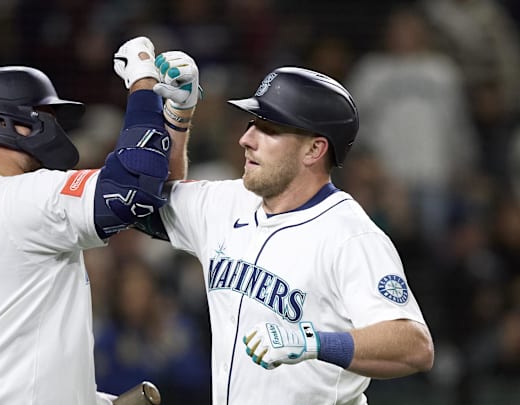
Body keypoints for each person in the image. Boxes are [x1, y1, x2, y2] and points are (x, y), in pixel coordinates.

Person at [124, 38, 435, 404]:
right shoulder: (228, 202)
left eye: (268, 129)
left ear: (314, 149)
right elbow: (148, 198)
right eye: (251, 123)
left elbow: (414, 346)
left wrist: (313, 342)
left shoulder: (349, 235)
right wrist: (178, 115)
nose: (245, 139)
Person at [0, 37, 174, 404]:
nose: (56, 128)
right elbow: (133, 187)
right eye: (46, 116)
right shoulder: (15, 199)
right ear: (13, 123)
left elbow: (1, 359)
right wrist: (144, 85)